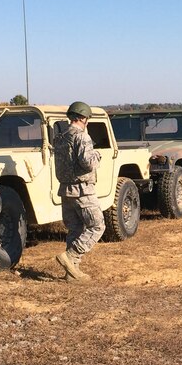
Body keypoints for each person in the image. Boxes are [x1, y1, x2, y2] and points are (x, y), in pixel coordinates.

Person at [54, 101, 104, 282]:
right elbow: (88, 162)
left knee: (75, 229)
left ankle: (72, 273)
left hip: (65, 190)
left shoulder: (60, 137)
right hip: (82, 190)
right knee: (97, 226)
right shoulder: (81, 137)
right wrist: (98, 155)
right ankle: (71, 256)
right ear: (83, 118)